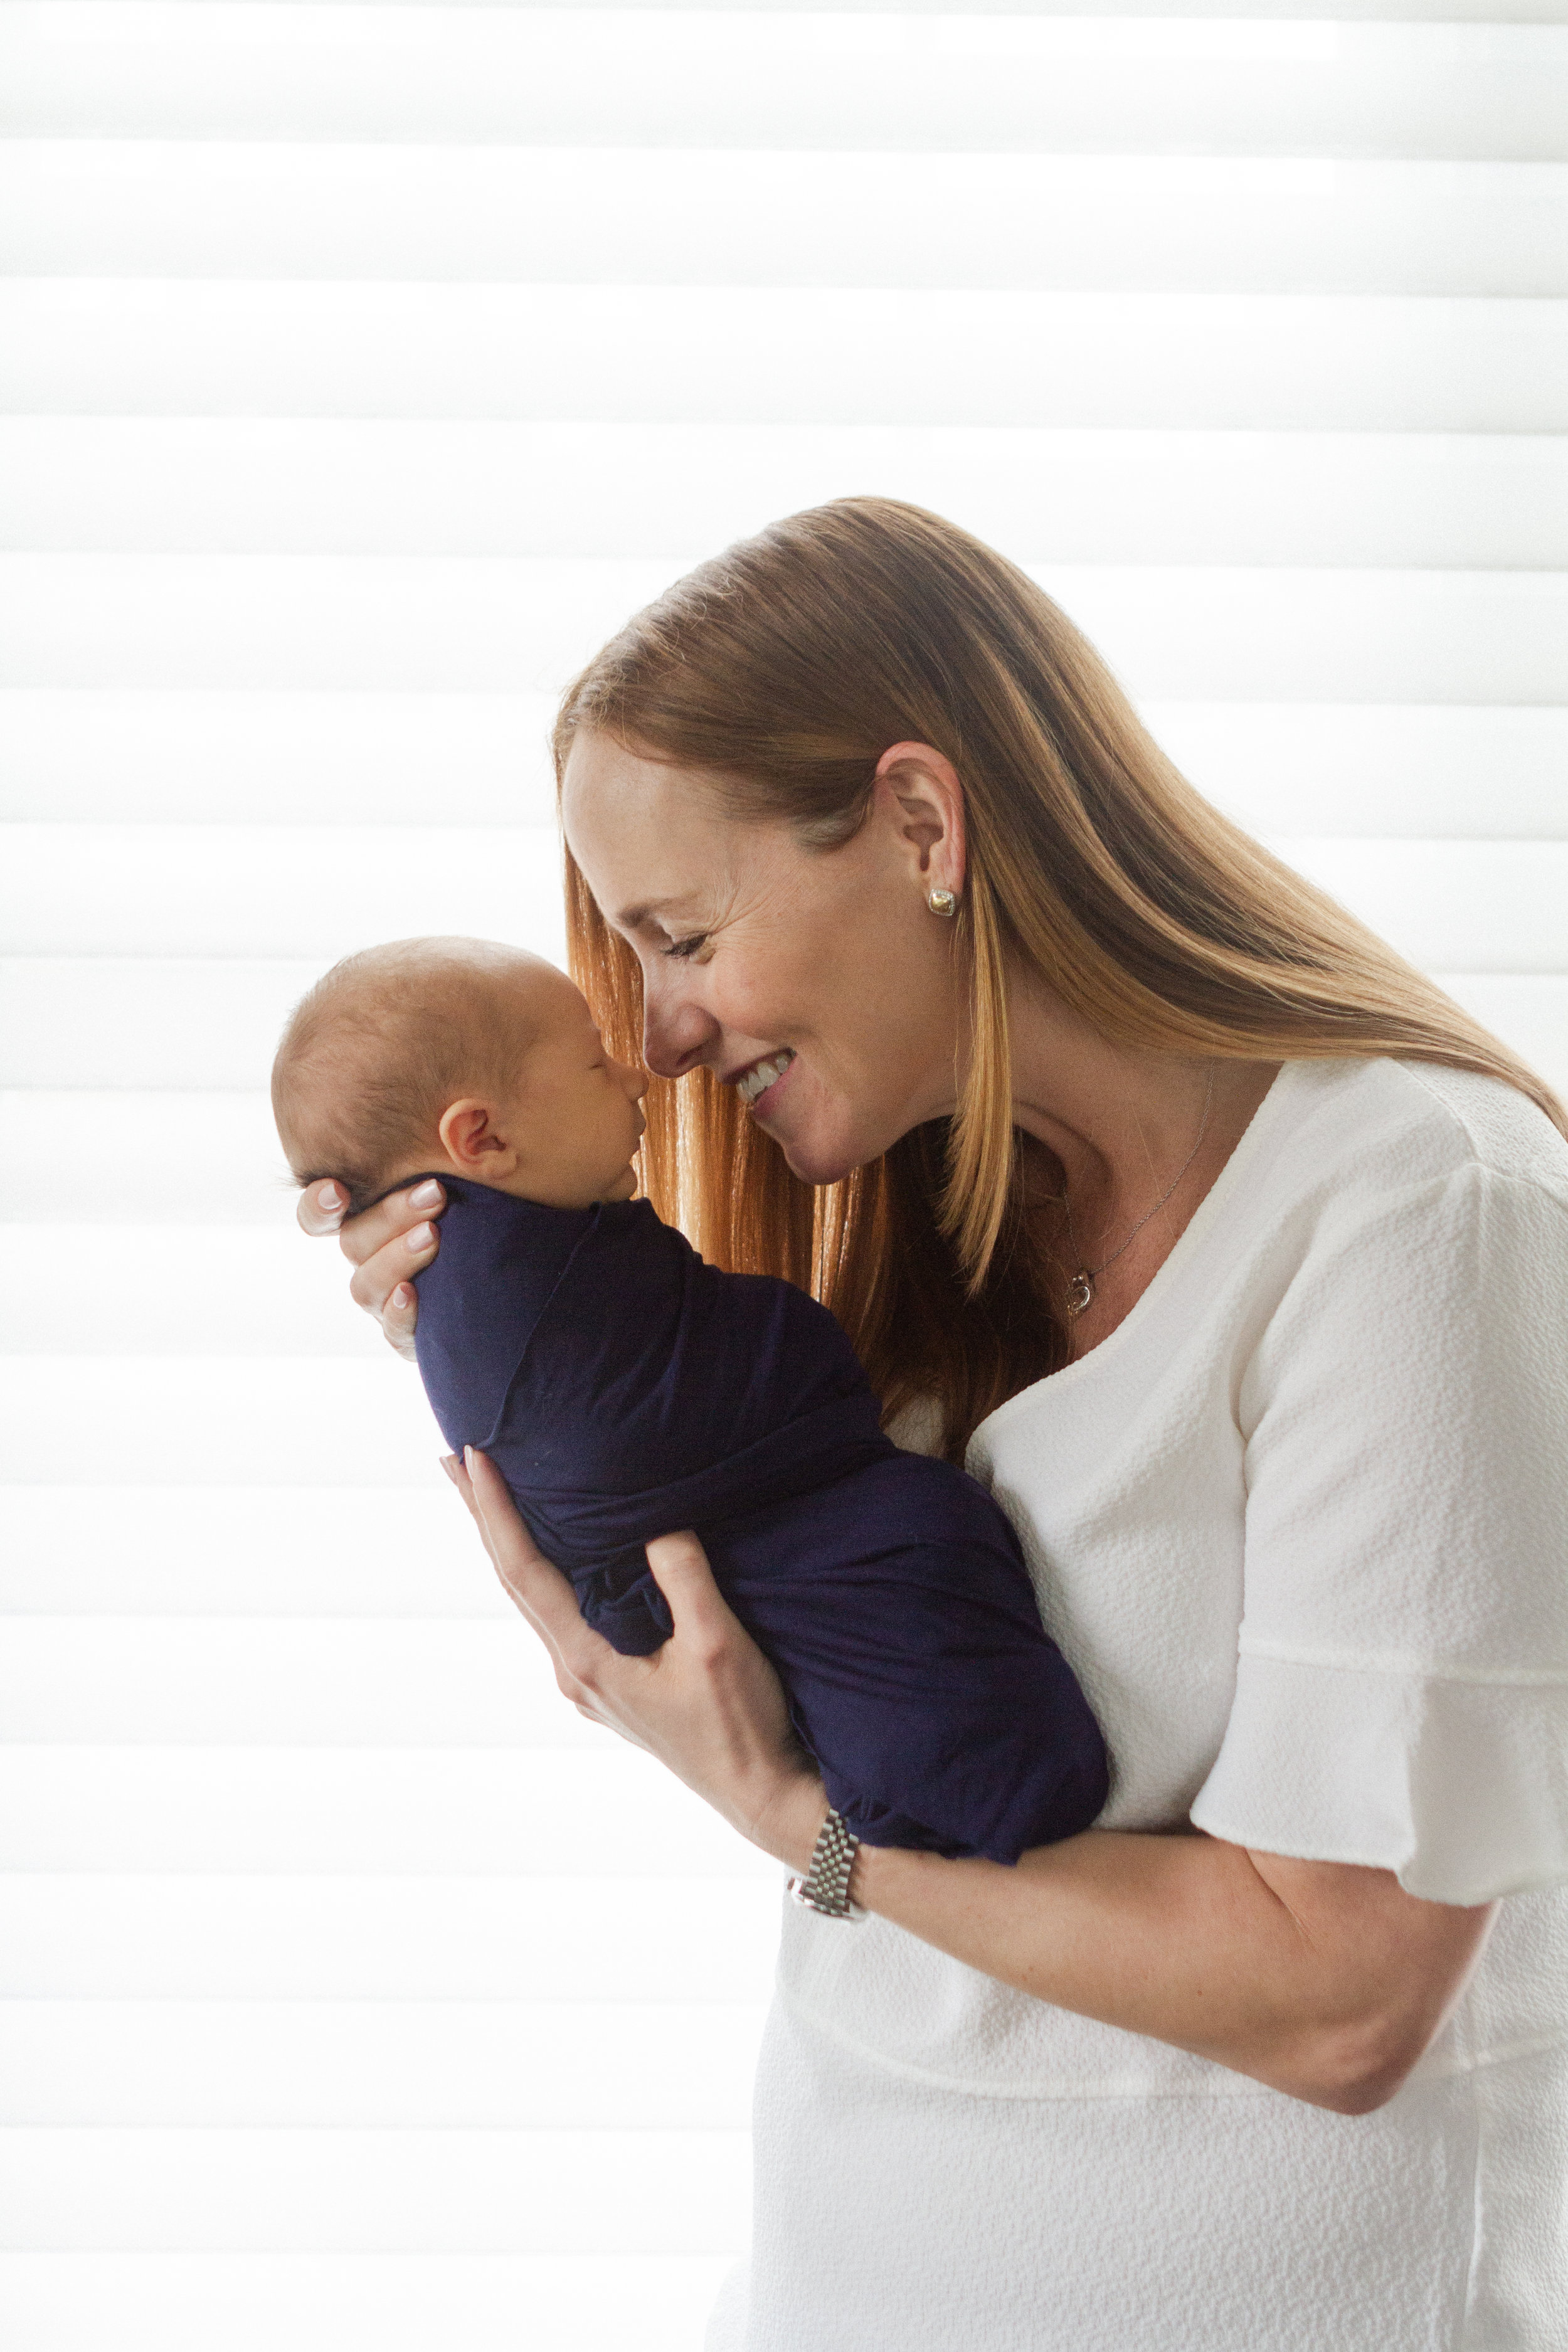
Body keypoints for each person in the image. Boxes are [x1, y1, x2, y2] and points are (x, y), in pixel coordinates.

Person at [297, 500, 1568, 2349]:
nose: (651, 1039)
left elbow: (1339, 2000)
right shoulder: (935, 1235)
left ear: (918, 822)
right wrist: (494, 1302)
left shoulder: (1415, 1214)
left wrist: (794, 1818)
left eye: (679, 934)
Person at [270, 936, 1108, 1860]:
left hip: (749, 1575)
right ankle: (996, 1788)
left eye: (688, 936)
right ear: (482, 1139)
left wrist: (782, 1811)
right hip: (718, 1565)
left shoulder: (528, 1258)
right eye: (598, 1061)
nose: (643, 1072)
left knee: (916, 1553)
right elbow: (663, 1416)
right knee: (915, 1561)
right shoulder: (490, 1283)